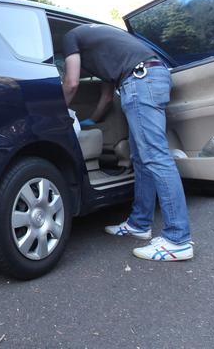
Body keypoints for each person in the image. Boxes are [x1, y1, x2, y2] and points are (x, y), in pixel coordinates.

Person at [62, 23, 193, 261]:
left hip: (141, 81)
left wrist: (58, 110)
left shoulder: (70, 36)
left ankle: (178, 239)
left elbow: (71, 83)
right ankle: (140, 224)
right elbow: (107, 96)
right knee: (141, 158)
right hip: (151, 76)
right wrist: (92, 120)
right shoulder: (106, 48)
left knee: (155, 157)